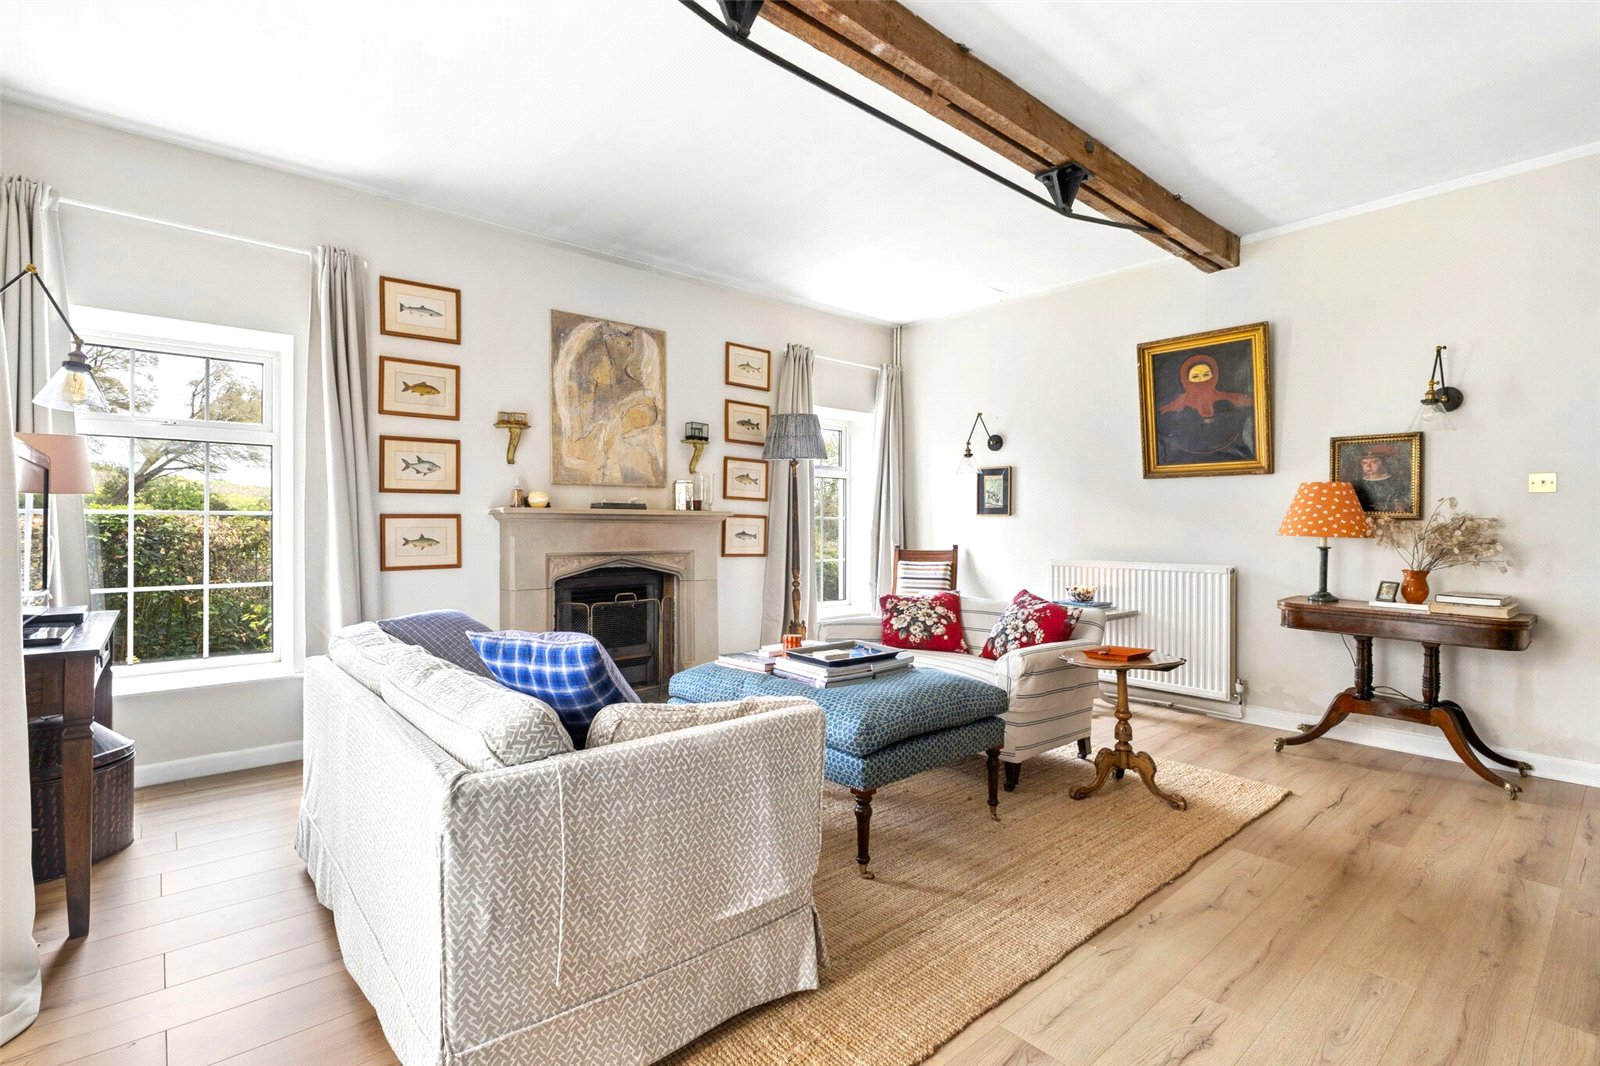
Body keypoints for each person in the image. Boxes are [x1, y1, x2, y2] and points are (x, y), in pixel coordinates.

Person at [1350, 444, 1411, 513]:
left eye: (1373, 462)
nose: (1368, 466)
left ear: (1381, 463)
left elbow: (1406, 497)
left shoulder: (1395, 481)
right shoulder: (1359, 483)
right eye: (1365, 463)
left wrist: (1400, 503)